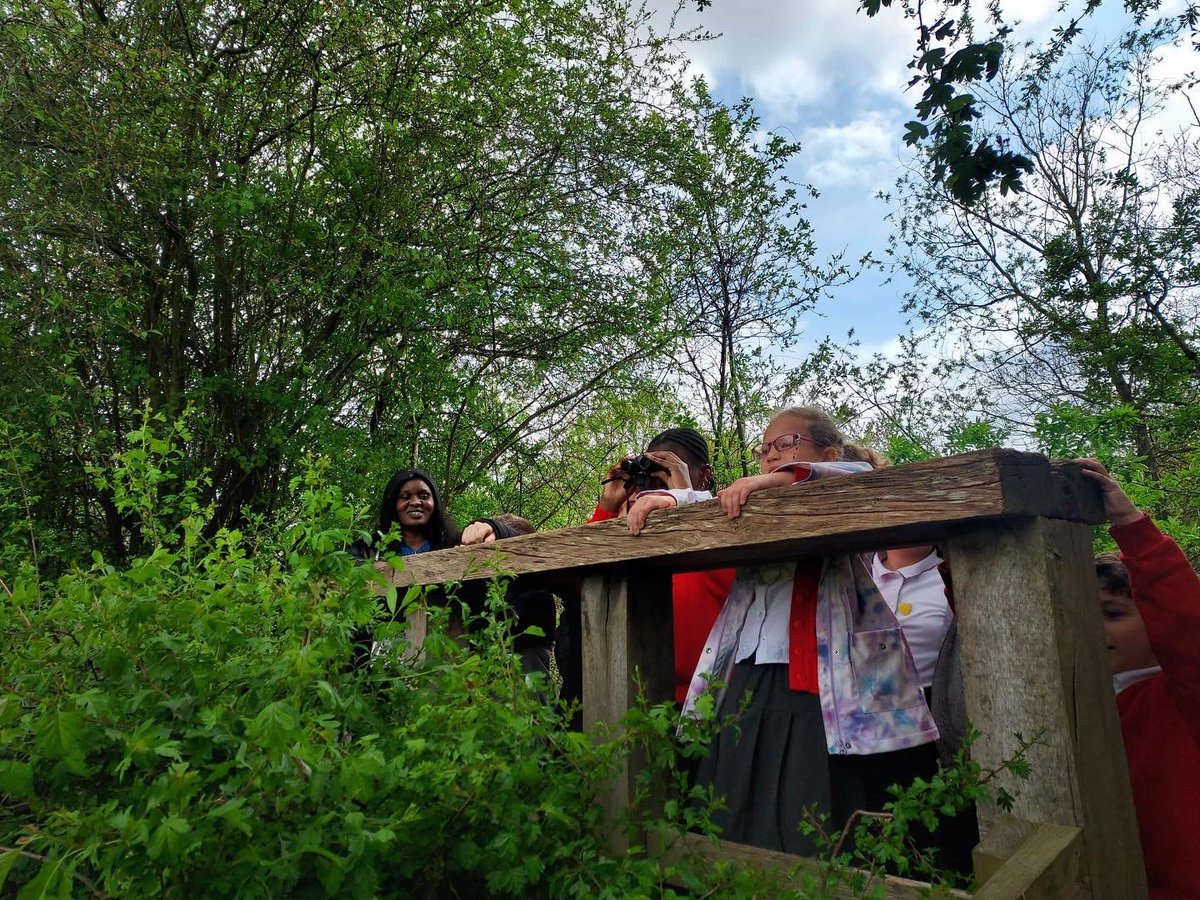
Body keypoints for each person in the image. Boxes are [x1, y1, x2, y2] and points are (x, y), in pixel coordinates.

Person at [627, 407, 938, 856]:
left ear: (825, 452)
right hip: (747, 676)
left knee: (807, 814)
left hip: (819, 686)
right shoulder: (754, 501)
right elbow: (714, 507)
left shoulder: (844, 481)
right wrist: (673, 500)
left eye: (786, 444)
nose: (771, 456)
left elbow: (852, 473)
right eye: (765, 449)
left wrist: (774, 481)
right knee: (731, 803)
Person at [1075, 458, 1200, 899]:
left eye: (1112, 614)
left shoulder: (1183, 694)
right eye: (1085, 616)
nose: (1095, 629)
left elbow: (1187, 627)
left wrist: (1131, 525)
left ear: (1154, 617)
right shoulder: (1080, 693)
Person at [571, 427, 735, 707]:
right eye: (652, 472)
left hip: (713, 699)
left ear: (705, 475)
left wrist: (685, 499)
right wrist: (608, 507)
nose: (657, 481)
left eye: (667, 470)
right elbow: (586, 583)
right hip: (638, 694)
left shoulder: (727, 516)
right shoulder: (637, 524)